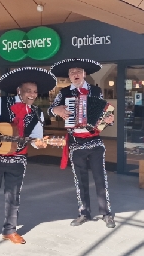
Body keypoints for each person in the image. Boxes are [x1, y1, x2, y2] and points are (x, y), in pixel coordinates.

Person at [47, 58, 115, 228]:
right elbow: (50, 110)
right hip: (76, 142)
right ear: (69, 76)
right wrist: (57, 109)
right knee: (80, 179)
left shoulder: (95, 91)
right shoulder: (63, 94)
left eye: (78, 71)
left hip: (94, 141)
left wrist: (109, 120)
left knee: (100, 178)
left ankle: (106, 213)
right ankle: (84, 213)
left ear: (84, 74)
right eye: (72, 72)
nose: (75, 74)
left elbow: (103, 114)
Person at [0, 67, 57, 244]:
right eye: (28, 91)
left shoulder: (37, 113)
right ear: (19, 91)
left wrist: (39, 143)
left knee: (13, 197)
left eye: (35, 92)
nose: (32, 95)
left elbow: (36, 139)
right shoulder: (0, 103)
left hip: (18, 160)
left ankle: (10, 230)